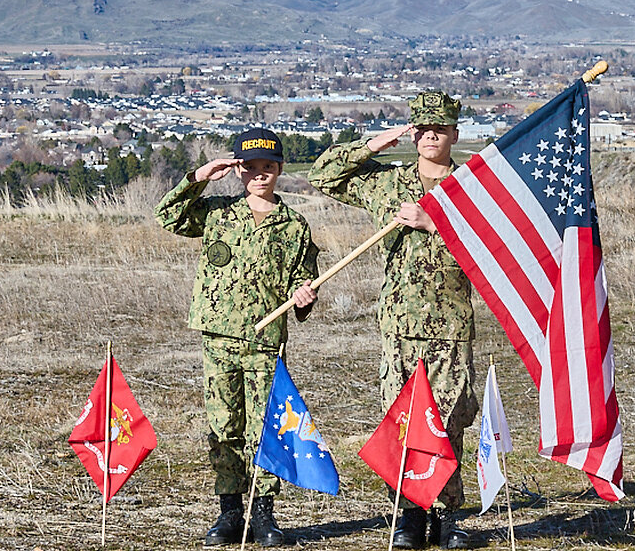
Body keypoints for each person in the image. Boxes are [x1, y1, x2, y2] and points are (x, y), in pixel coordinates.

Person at [307, 91, 475, 549]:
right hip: (398, 325)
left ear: (455, 134)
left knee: (446, 420)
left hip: (450, 325)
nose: (428, 136)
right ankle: (407, 517)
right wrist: (375, 145)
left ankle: (446, 517)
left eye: (438, 128)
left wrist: (433, 223)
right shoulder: (390, 183)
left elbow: (494, 246)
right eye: (420, 128)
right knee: (401, 420)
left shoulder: (471, 188)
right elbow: (324, 175)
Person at [155, 128, 320, 548]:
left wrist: (304, 296)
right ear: (237, 169)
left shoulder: (294, 226)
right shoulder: (216, 213)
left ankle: (264, 513)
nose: (259, 174)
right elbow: (167, 216)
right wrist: (198, 177)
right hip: (220, 337)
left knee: (265, 429)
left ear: (280, 169)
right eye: (250, 167)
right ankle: (230, 511)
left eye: (268, 166)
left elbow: (304, 283)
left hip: (266, 340)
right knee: (223, 425)